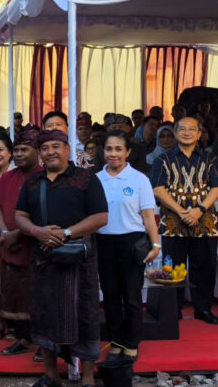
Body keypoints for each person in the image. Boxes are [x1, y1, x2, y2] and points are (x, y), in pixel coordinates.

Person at [15, 129, 108, 387]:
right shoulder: (33, 182)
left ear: (67, 149)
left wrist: (66, 233)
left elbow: (101, 217)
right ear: (40, 153)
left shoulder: (86, 178)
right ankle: (51, 375)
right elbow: (20, 216)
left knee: (85, 315)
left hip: (80, 261)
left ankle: (88, 378)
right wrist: (37, 231)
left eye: (56, 146)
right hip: (43, 259)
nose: (51, 152)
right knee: (44, 314)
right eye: (45, 148)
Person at [96, 131, 160, 363]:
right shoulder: (96, 179)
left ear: (128, 152)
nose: (113, 154)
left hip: (132, 242)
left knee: (132, 296)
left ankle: (132, 343)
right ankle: (116, 342)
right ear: (103, 151)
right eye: (109, 149)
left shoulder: (139, 179)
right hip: (103, 242)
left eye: (118, 149)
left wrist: (155, 244)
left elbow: (148, 215)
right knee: (110, 296)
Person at [149, 117, 218, 324]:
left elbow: (216, 188)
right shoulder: (163, 159)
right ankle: (174, 309)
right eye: (182, 129)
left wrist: (199, 210)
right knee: (172, 267)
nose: (187, 133)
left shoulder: (210, 159)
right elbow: (157, 189)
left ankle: (203, 309)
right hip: (173, 221)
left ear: (199, 134)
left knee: (205, 267)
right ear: (176, 133)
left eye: (192, 129)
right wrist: (182, 212)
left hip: (205, 222)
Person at [0, 128, 43, 359]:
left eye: (25, 150)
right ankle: (24, 339)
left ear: (37, 151)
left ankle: (43, 344)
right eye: (17, 150)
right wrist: (4, 233)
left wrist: (17, 235)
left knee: (37, 296)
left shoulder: (44, 177)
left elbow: (43, 216)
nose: (19, 154)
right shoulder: (7, 177)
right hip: (10, 247)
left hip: (35, 248)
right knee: (16, 295)